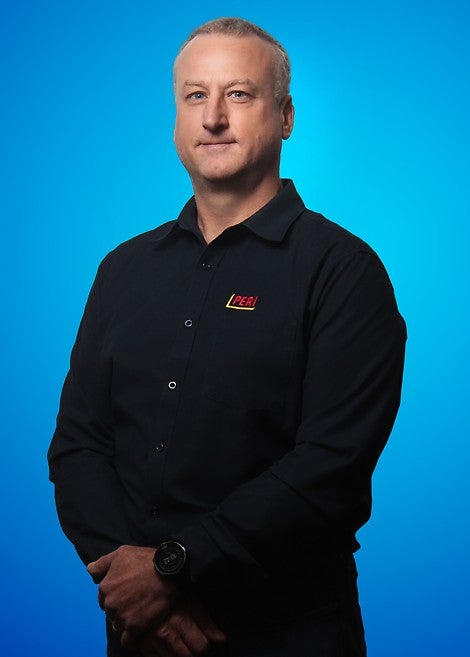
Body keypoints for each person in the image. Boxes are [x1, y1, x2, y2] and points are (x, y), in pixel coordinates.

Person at [48, 17, 406, 657]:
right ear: (177, 117)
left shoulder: (344, 272)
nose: (213, 117)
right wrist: (129, 583)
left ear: (286, 116)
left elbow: (330, 467)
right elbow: (79, 444)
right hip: (140, 636)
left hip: (291, 633)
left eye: (238, 94)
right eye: (195, 96)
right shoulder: (122, 270)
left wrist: (173, 569)